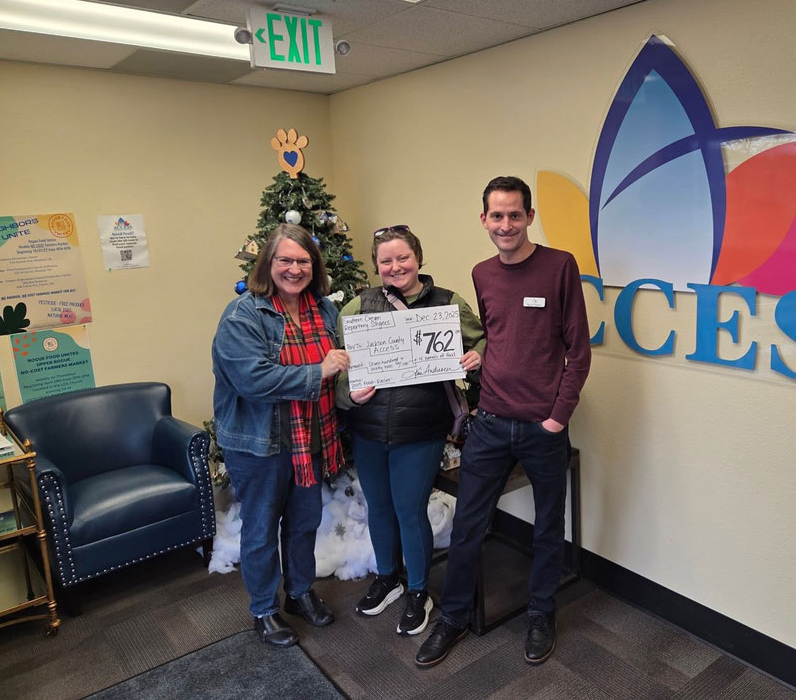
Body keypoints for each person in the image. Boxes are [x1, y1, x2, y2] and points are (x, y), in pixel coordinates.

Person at [416, 176, 591, 667]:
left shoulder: (559, 266)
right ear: (484, 220)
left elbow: (578, 351)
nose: (506, 224)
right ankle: (452, 619)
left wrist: (558, 418)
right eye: (497, 215)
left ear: (529, 217)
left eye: (515, 214)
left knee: (546, 527)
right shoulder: (482, 273)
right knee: (469, 527)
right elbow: (494, 336)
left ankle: (541, 612)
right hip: (490, 422)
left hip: (543, 427)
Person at [337, 225, 485, 637]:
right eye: (386, 260)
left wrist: (476, 357)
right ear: (376, 265)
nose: (395, 266)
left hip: (420, 431)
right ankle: (388, 578)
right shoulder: (356, 308)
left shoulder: (447, 304)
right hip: (367, 429)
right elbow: (339, 369)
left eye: (403, 257)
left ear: (418, 257)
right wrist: (350, 396)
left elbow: (485, 342)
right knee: (379, 508)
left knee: (409, 509)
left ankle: (419, 590)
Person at [212, 224, 350, 648]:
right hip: (260, 443)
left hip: (311, 438)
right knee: (260, 529)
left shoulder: (324, 309)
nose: (294, 269)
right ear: (268, 264)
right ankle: (264, 610)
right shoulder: (243, 316)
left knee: (305, 522)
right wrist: (319, 370)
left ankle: (299, 592)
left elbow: (343, 359)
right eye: (285, 260)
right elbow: (254, 380)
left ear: (315, 265)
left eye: (303, 261)